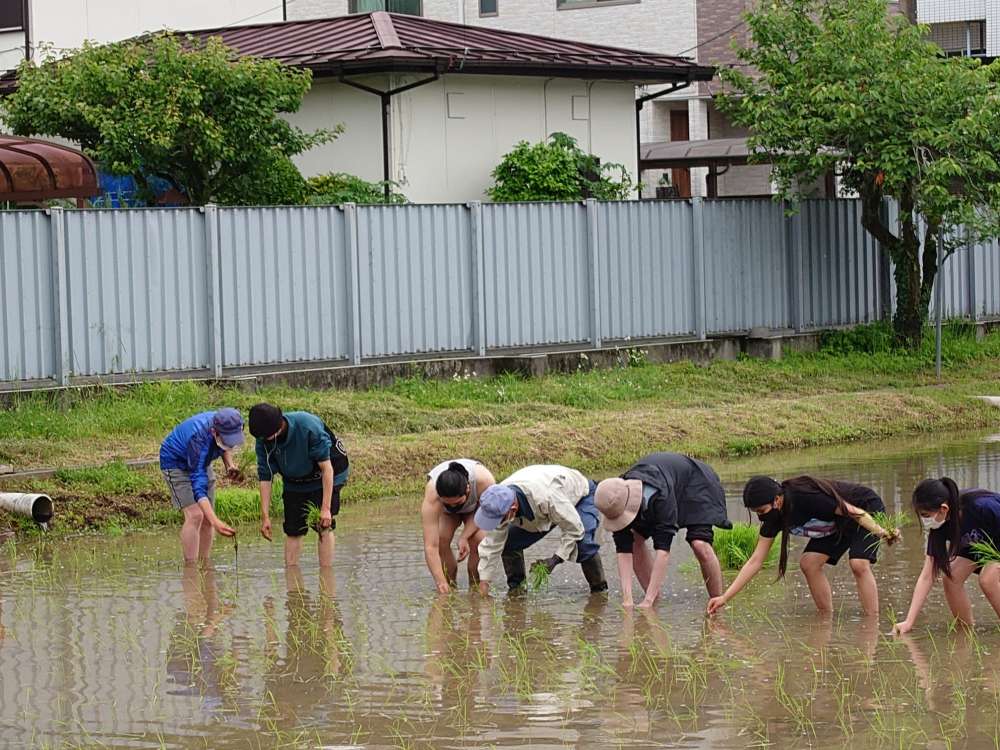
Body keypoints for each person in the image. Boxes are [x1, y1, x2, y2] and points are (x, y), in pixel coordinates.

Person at [707, 475, 899, 616]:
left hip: (863, 510)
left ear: (777, 499)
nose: (761, 516)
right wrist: (724, 597)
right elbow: (755, 561)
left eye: (762, 510)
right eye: (756, 512)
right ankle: (826, 618)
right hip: (836, 524)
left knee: (858, 564)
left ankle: (871, 624)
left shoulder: (805, 497)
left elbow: (853, 512)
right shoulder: (773, 518)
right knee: (809, 563)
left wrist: (882, 531)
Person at [595, 452, 731, 608]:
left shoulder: (659, 497)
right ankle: (653, 601)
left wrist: (647, 601)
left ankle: (717, 602)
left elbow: (663, 551)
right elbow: (623, 550)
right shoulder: (614, 499)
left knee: (700, 544)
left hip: (696, 483)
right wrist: (628, 599)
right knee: (634, 541)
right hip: (666, 483)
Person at [475, 464, 607, 596]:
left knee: (583, 545)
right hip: (542, 512)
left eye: (499, 519)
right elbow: (492, 545)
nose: (496, 523)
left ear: (513, 509)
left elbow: (575, 530)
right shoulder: (496, 501)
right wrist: (484, 584)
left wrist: (555, 560)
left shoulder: (547, 497)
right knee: (507, 542)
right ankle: (517, 591)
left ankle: (599, 593)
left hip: (579, 496)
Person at [892, 478, 1000, 634]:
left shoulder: (982, 506)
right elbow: (927, 576)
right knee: (951, 577)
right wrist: (909, 622)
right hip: (982, 542)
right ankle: (966, 632)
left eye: (925, 514)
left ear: (943, 508)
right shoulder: (939, 526)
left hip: (995, 541)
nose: (924, 520)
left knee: (988, 579)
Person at [248, 403, 349, 568]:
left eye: (266, 438)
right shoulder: (263, 439)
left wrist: (325, 508)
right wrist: (265, 516)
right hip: (294, 480)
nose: (264, 441)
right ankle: (292, 576)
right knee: (292, 529)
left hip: (327, 473)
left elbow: (327, 469)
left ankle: (326, 577)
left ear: (277, 429)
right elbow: (266, 476)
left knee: (323, 525)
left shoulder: (308, 427)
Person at [159, 408, 242, 564]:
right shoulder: (198, 440)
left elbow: (225, 445)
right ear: (214, 432)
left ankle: (205, 565)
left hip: (200, 462)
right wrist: (216, 522)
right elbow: (198, 486)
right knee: (196, 515)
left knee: (207, 518)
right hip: (176, 462)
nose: (229, 443)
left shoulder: (227, 423)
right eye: (225, 439)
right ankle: (190, 569)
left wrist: (229, 465)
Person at [422, 459, 495, 593]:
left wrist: (464, 537)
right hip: (447, 515)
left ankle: (475, 587)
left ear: (467, 488)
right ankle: (449, 584)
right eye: (448, 503)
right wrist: (440, 582)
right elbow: (430, 546)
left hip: (477, 510)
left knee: (478, 540)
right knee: (442, 538)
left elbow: (486, 513)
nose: (453, 506)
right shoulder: (432, 493)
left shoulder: (484, 481)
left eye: (457, 502)